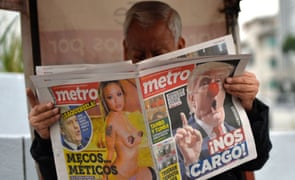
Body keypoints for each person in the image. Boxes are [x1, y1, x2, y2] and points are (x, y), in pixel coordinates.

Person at [27, 1, 272, 180]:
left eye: (158, 54)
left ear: (180, 45)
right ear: (125, 50)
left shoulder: (211, 85)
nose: (146, 61)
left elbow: (258, 158)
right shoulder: (106, 95)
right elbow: (57, 174)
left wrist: (250, 105)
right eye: (138, 55)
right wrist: (46, 136)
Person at [100, 80, 156, 179]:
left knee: (156, 172)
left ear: (123, 94)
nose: (116, 101)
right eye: (110, 97)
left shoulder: (123, 115)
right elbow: (110, 153)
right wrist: (105, 177)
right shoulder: (110, 123)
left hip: (135, 171)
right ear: (105, 101)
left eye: (119, 94)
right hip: (121, 174)